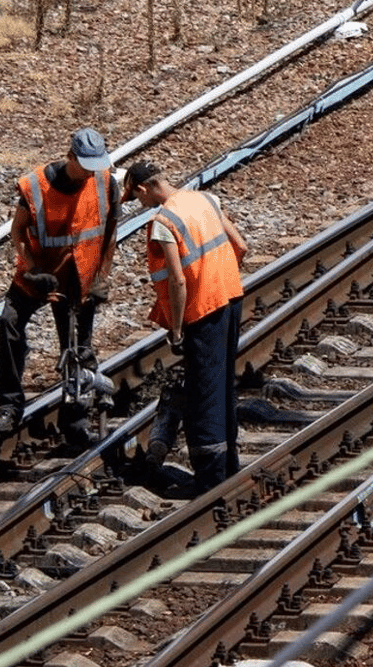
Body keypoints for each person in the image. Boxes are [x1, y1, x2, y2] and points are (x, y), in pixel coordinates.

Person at [0, 127, 120, 445]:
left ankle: (74, 420)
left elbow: (111, 231)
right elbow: (18, 232)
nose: (91, 173)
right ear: (70, 157)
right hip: (39, 274)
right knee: (9, 324)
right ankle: (8, 406)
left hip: (79, 276)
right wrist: (32, 269)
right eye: (85, 166)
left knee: (77, 347)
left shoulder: (105, 182)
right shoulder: (35, 186)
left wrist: (102, 275)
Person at [123, 160, 247, 495]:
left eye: (136, 198)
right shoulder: (206, 199)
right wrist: (219, 277)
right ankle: (229, 463)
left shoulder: (164, 222)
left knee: (204, 392)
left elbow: (177, 280)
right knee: (223, 384)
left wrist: (176, 329)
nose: (140, 205)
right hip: (231, 299)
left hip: (201, 310)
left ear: (143, 188)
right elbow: (241, 246)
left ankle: (209, 478)